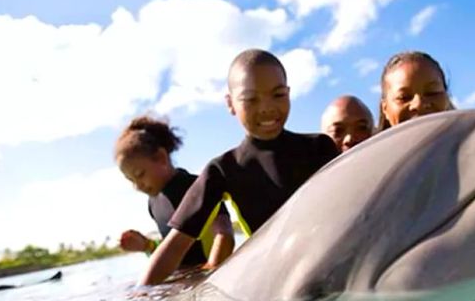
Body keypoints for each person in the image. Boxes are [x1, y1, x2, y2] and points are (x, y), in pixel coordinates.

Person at [139, 49, 339, 285]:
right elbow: (175, 245)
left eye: (278, 94)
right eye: (251, 99)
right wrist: (144, 292)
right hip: (280, 282)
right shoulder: (223, 169)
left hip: (334, 266)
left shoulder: (320, 148)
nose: (266, 108)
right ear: (230, 103)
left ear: (289, 93)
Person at [115, 116, 235, 270]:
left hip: (211, 277)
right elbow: (173, 252)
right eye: (131, 180)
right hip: (187, 280)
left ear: (161, 158)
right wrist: (147, 245)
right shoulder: (154, 203)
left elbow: (224, 234)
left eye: (140, 175)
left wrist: (211, 271)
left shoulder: (197, 187)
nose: (138, 186)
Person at [377, 51, 456, 132]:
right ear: (385, 109)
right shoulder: (373, 145)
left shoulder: (468, 143)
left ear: (446, 97)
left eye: (432, 93)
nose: (418, 104)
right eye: (403, 97)